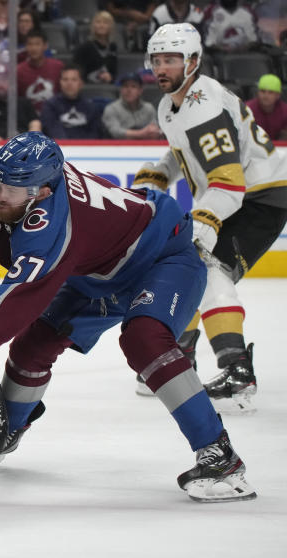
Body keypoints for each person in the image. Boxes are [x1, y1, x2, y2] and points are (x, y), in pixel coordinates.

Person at [0, 132, 256, 503]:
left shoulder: (51, 225)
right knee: (36, 343)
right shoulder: (2, 172)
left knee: (144, 339)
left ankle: (220, 455)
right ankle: (6, 431)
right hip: (99, 272)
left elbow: (14, 300)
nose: (1, 194)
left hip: (164, 258)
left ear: (43, 193)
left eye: (14, 190)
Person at [131, 23, 287, 413]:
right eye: (157, 59)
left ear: (194, 61)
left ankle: (236, 368)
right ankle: (181, 358)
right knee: (183, 264)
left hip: (261, 196)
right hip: (240, 193)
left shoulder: (206, 103)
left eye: (172, 59)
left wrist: (204, 221)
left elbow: (229, 181)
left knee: (208, 266)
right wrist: (161, 172)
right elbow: (185, 150)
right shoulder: (171, 104)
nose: (162, 67)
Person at [40, 65, 105, 140]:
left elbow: (95, 134)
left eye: (74, 80)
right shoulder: (50, 105)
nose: (69, 83)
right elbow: (52, 131)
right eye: (65, 79)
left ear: (81, 84)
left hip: (87, 149)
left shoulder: (91, 107)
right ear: (60, 83)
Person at [16, 30, 64, 113]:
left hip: (54, 115)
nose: (33, 48)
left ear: (45, 46)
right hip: (28, 118)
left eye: (37, 44)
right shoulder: (18, 70)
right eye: (30, 44)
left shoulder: (58, 67)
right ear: (26, 47)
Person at [102, 71, 160, 139]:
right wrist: (141, 133)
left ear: (140, 90)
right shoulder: (111, 108)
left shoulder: (149, 108)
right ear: (121, 89)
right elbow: (115, 132)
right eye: (125, 86)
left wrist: (154, 131)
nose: (129, 90)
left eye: (133, 86)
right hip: (118, 147)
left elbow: (155, 129)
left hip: (145, 146)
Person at [73, 10, 118, 84]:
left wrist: (110, 77)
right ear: (93, 25)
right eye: (98, 22)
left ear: (110, 26)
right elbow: (77, 72)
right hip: (88, 86)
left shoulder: (113, 47)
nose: (101, 25)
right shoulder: (84, 47)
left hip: (107, 86)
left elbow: (114, 72)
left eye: (105, 23)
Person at [246, 74, 287, 141]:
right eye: (263, 91)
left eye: (270, 92)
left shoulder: (285, 111)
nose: (266, 96)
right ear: (257, 93)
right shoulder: (247, 109)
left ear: (278, 95)